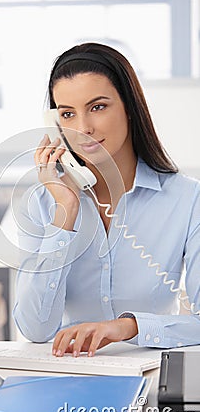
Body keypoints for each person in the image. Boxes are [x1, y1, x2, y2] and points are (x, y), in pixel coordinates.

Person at [13, 42, 200, 357]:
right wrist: (65, 211)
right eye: (68, 114)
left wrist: (127, 327)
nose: (83, 128)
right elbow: (35, 329)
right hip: (66, 372)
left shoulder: (187, 199)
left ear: (130, 106)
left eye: (97, 107)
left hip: (149, 371)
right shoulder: (42, 203)